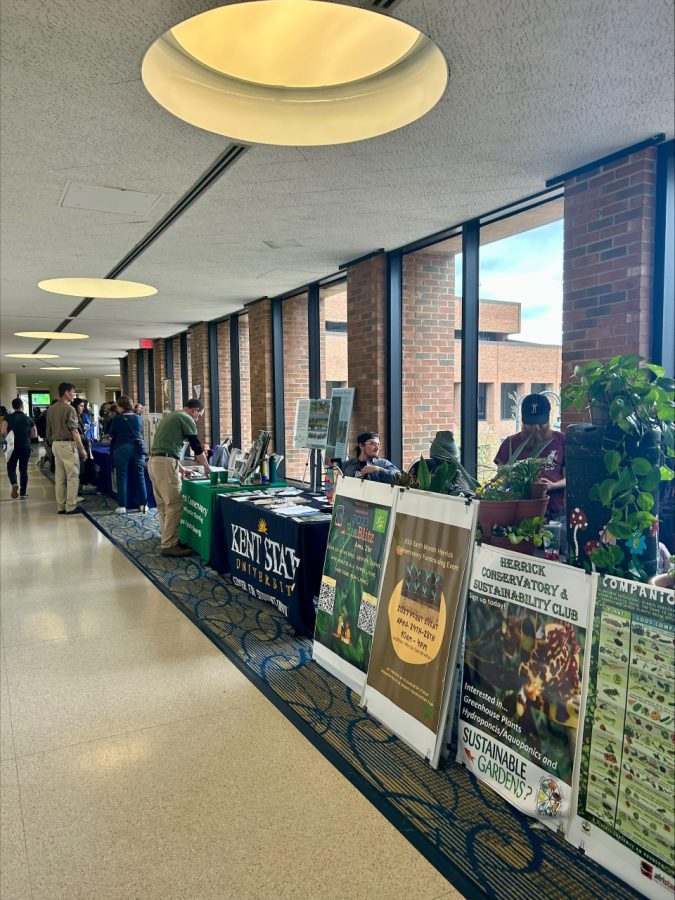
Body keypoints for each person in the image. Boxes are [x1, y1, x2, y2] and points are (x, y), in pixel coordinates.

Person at [148, 399, 210, 556]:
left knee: (163, 505)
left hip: (154, 461)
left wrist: (180, 468)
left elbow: (164, 445)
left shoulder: (171, 417)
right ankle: (169, 545)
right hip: (165, 464)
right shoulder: (186, 418)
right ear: (195, 410)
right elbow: (196, 446)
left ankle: (166, 538)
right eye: (199, 415)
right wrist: (206, 467)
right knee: (175, 504)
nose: (197, 419)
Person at [494, 393, 566, 518]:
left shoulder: (562, 440)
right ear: (523, 420)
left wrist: (553, 485)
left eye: (540, 423)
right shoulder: (510, 444)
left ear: (548, 419)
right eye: (531, 424)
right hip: (519, 514)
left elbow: (572, 478)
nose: (536, 428)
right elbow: (501, 478)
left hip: (554, 513)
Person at [46, 383, 88, 514]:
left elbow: (48, 431)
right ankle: (71, 506)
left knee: (59, 477)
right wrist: (82, 449)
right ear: (66, 393)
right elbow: (74, 431)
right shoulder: (69, 409)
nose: (74, 395)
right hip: (67, 445)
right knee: (72, 476)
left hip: (55, 445)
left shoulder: (51, 409)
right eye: (73, 392)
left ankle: (61, 505)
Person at [108, 395, 147, 514]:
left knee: (122, 477)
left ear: (120, 406)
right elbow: (140, 433)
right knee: (140, 477)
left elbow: (111, 434)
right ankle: (143, 505)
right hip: (137, 450)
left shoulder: (117, 419)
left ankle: (122, 506)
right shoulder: (138, 418)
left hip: (121, 449)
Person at [1, 398, 36, 499]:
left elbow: (3, 431)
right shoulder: (29, 419)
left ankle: (14, 483)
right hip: (25, 446)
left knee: (11, 467)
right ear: (22, 406)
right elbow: (34, 435)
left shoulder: (7, 418)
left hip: (12, 447)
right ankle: (23, 493)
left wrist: (9, 438)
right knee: (23, 469)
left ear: (13, 406)